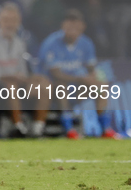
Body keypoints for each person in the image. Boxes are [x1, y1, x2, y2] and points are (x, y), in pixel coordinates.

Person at [38, 9, 119, 139]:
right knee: (61, 86)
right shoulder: (51, 43)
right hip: (50, 88)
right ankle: (69, 129)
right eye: (69, 27)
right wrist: (81, 78)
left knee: (101, 86)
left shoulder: (86, 43)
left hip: (76, 86)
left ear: (83, 27)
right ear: (63, 26)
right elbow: (56, 74)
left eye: (76, 27)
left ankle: (105, 128)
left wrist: (95, 78)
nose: (72, 31)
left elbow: (91, 68)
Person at [0, 3, 51, 138]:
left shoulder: (20, 43)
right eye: (6, 20)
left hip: (17, 81)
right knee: (10, 86)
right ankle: (19, 127)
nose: (10, 24)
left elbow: (22, 72)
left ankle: (38, 127)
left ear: (19, 22)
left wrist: (27, 79)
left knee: (44, 82)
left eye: (13, 20)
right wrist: (14, 77)